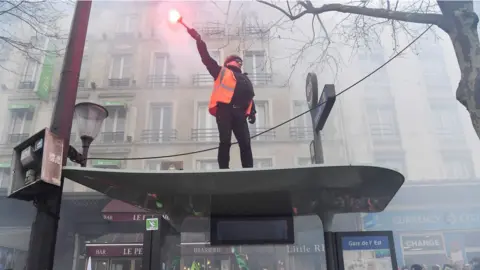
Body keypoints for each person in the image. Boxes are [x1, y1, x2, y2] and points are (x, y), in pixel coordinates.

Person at [187, 27, 256, 169]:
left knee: (245, 143)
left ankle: (249, 169)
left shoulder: (244, 78)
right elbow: (206, 59)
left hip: (240, 113)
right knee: (225, 141)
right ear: (231, 62)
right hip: (225, 111)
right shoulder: (221, 72)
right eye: (238, 61)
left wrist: (252, 112)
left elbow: (249, 96)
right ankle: (224, 170)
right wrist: (199, 41)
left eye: (240, 62)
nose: (239, 63)